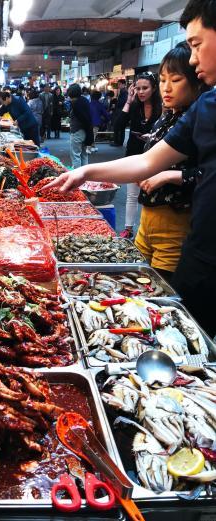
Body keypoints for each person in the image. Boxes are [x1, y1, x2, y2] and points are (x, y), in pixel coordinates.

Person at [45, 0, 216, 337]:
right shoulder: (207, 107)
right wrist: (85, 172)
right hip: (203, 254)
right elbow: (147, 162)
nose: (194, 57)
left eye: (197, 44)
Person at [136, 43, 206, 280]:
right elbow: (148, 161)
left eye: (175, 80)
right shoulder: (166, 118)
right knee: (136, 282)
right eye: (162, 80)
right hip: (147, 219)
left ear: (196, 80)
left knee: (160, 290)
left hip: (175, 224)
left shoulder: (199, 120)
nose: (166, 88)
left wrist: (168, 176)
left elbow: (207, 174)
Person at [116, 72, 162, 238]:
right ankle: (128, 228)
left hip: (157, 154)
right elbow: (119, 124)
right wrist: (128, 100)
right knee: (132, 194)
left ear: (154, 88)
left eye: (145, 88)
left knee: (153, 191)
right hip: (134, 153)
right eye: (138, 88)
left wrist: (152, 137)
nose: (141, 92)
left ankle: (149, 230)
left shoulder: (162, 106)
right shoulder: (134, 105)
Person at [68, 83, 93, 168]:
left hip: (77, 131)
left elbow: (81, 118)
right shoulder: (84, 100)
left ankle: (77, 178)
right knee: (84, 154)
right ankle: (85, 177)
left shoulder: (75, 103)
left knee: (75, 155)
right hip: (85, 131)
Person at [111, 78, 128, 146]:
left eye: (119, 84)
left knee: (119, 127)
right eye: (118, 84)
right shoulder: (122, 91)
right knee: (120, 127)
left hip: (121, 112)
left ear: (123, 84)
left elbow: (122, 102)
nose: (118, 85)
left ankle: (118, 142)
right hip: (121, 111)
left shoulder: (124, 92)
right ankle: (118, 142)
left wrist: (116, 102)